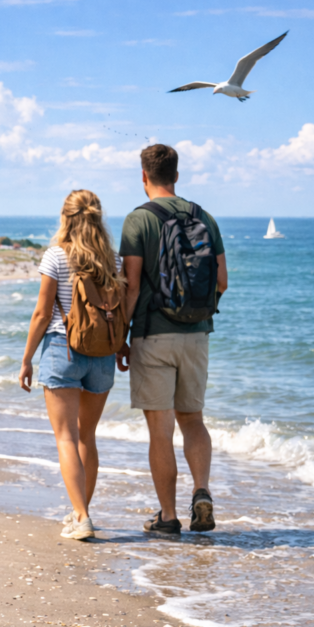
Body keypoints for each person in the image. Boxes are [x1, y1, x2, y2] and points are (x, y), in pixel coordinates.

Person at [118, 144, 228, 535]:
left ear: (143, 176)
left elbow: (131, 287)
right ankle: (201, 490)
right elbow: (221, 282)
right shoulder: (205, 217)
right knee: (194, 420)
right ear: (177, 176)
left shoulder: (138, 220)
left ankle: (167, 517)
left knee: (161, 429)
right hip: (197, 336)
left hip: (152, 335)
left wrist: (120, 338)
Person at [19, 189, 124, 541]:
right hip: (102, 355)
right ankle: (82, 511)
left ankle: (82, 516)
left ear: (66, 217)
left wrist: (27, 359)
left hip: (62, 350)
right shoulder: (113, 260)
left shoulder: (56, 257)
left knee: (66, 437)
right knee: (87, 437)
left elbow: (41, 313)